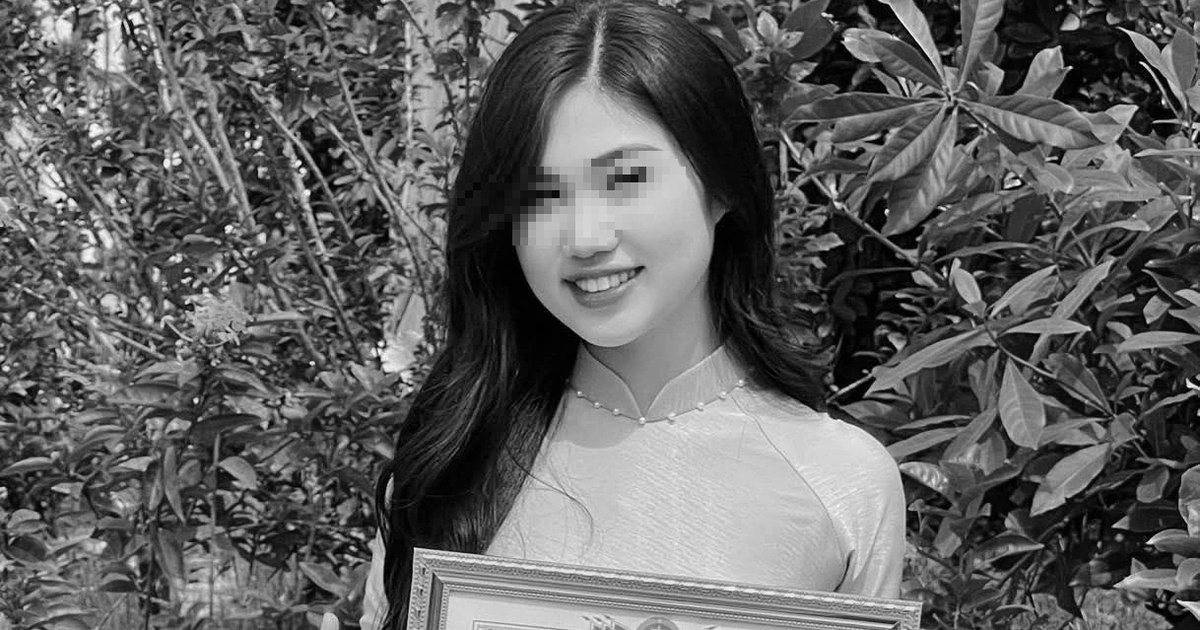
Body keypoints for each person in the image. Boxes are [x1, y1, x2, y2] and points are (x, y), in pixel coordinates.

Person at [352, 0, 908, 628]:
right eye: (540, 194)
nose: (585, 238)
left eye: (625, 179)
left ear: (721, 185)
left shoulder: (844, 482)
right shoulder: (451, 459)